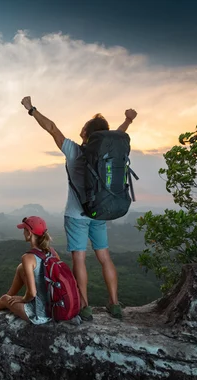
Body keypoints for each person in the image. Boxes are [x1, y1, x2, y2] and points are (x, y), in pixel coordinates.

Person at [20, 96, 137, 320]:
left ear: (85, 134)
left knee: (80, 259)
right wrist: (128, 121)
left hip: (76, 215)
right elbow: (119, 136)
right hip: (101, 210)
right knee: (104, 257)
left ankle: (84, 306)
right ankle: (114, 303)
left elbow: (52, 128)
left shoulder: (74, 151)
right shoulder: (108, 154)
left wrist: (31, 109)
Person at [0, 216, 55, 324]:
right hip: (52, 306)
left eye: (24, 230)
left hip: (40, 314)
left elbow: (32, 293)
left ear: (29, 233)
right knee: (20, 268)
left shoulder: (28, 258)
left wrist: (23, 299)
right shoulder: (52, 252)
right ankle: (6, 300)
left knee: (5, 299)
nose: (23, 233)